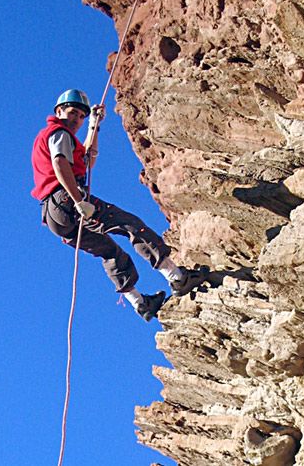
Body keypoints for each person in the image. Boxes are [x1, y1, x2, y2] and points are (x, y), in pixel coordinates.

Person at [31, 89, 207, 321]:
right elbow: (60, 163)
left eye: (81, 116)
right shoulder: (58, 133)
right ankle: (177, 276)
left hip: (54, 215)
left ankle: (140, 303)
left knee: (109, 251)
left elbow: (86, 160)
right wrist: (79, 200)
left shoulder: (57, 136)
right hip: (67, 201)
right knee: (129, 224)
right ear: (59, 111)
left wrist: (94, 125)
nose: (76, 119)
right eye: (72, 113)